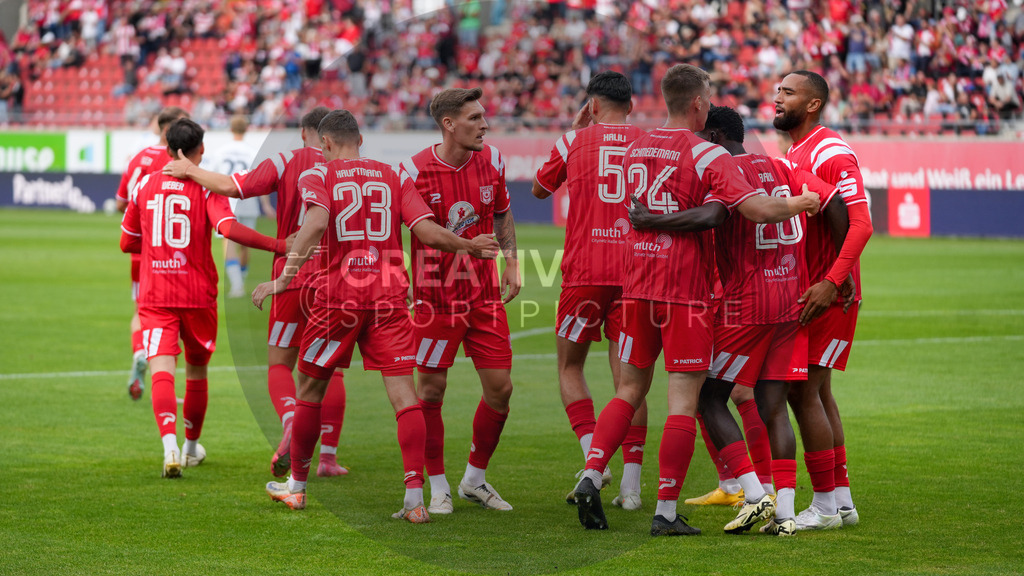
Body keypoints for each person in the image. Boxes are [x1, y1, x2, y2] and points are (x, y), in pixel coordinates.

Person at [571, 63, 818, 536]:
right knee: (685, 401)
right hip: (685, 294)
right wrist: (798, 204)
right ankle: (665, 512)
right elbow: (756, 209)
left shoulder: (634, 146)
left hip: (636, 287)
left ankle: (590, 474)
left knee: (628, 390)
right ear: (700, 105)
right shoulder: (706, 155)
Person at [251, 109, 500, 521]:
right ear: (360, 140)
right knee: (405, 398)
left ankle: (296, 487)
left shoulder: (318, 175)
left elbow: (314, 225)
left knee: (309, 391)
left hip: (337, 300)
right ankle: (414, 499)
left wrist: (282, 279)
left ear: (325, 144)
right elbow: (426, 231)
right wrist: (469, 246)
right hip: (388, 300)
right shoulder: (394, 175)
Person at [629, 104, 837, 536]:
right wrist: (839, 273)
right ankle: (784, 516)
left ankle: (753, 491)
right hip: (790, 298)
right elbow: (827, 199)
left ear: (718, 136)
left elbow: (713, 215)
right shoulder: (781, 165)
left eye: (704, 138)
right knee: (772, 407)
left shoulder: (726, 172)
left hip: (746, 303)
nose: (701, 147)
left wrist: (652, 220)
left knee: (707, 397)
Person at [163, 107, 349, 478]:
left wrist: (190, 170)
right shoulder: (348, 170)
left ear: (303, 133)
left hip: (292, 276)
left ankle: (291, 419)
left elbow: (234, 187)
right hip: (336, 280)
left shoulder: (284, 161)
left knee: (280, 363)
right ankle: (327, 458)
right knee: (333, 372)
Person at [120, 118, 288, 478]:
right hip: (197, 294)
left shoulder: (145, 185)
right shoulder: (207, 188)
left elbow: (126, 242)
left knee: (162, 368)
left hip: (156, 293)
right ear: (201, 150)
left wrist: (155, 247)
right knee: (196, 371)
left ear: (166, 146)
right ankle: (192, 446)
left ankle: (169, 449)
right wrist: (277, 245)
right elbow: (227, 229)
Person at [399, 87, 520, 515]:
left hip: (484, 299)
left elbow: (503, 212)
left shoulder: (493, 162)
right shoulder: (412, 171)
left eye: (483, 116)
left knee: (501, 389)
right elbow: (425, 232)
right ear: (449, 124)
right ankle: (438, 485)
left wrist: (512, 262)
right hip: (436, 302)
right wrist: (469, 246)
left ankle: (474, 478)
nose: (484, 124)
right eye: (474, 118)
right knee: (430, 392)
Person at [531, 71, 649, 510]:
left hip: (585, 273)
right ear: (631, 106)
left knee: (569, 367)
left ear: (592, 105)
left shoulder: (573, 141)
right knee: (630, 383)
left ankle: (592, 466)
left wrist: (578, 130)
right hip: (637, 274)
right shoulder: (648, 142)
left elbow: (541, 189)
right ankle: (632, 490)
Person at [774, 70, 873, 529]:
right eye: (778, 90)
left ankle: (826, 507)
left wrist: (834, 281)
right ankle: (843, 500)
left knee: (803, 391)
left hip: (826, 293)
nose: (777, 98)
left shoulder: (830, 150)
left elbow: (861, 223)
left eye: (788, 92)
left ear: (812, 104)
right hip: (819, 289)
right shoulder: (797, 150)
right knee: (820, 392)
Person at [115, 106, 189, 401]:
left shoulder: (139, 157)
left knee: (139, 312)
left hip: (140, 250)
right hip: (175, 252)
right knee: (178, 317)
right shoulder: (180, 162)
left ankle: (140, 351)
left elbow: (122, 202)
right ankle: (170, 384)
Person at [206, 114, 273, 298]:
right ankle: (241, 280)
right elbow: (262, 181)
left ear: (231, 129)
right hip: (248, 201)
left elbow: (212, 177)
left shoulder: (221, 151)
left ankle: (236, 285)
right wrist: (266, 205)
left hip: (227, 201)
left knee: (229, 242)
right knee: (246, 243)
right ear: (246, 129)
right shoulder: (253, 152)